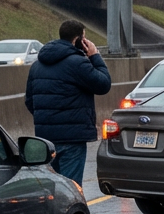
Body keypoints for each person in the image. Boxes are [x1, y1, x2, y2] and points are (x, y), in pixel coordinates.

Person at [25, 20, 111, 186]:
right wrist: (95, 56)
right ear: (78, 39)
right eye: (84, 38)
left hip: (46, 139)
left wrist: (48, 118)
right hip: (73, 138)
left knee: (52, 189)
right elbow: (103, 85)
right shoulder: (78, 63)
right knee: (71, 189)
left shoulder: (37, 65)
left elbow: (30, 101)